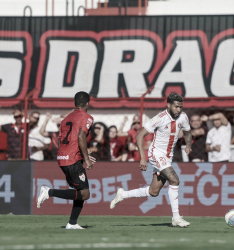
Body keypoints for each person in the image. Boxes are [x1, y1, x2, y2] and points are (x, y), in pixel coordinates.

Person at [110, 93, 192, 228]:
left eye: (180, 107)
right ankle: (176, 218)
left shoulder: (183, 117)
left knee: (154, 191)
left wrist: (188, 145)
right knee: (175, 180)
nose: (178, 110)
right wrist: (143, 158)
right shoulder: (159, 118)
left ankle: (123, 194)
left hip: (167, 157)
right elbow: (139, 135)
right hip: (156, 154)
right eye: (176, 107)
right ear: (169, 105)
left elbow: (188, 132)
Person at [36, 91, 96, 229]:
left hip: (63, 156)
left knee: (79, 191)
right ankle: (49, 192)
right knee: (84, 193)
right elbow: (81, 136)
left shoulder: (66, 119)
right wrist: (86, 158)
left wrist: (83, 153)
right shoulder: (87, 117)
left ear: (75, 103)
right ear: (87, 103)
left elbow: (64, 138)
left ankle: (72, 223)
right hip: (72, 158)